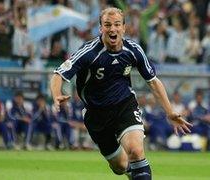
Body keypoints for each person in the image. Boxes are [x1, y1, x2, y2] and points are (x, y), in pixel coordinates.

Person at [50, 7, 192, 180]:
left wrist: (169, 112)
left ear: (124, 28)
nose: (112, 29)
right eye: (107, 25)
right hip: (96, 115)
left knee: (135, 150)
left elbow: (153, 82)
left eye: (117, 24)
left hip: (124, 105)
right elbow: (59, 74)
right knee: (120, 166)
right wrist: (56, 94)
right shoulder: (89, 52)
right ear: (101, 28)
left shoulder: (133, 50)